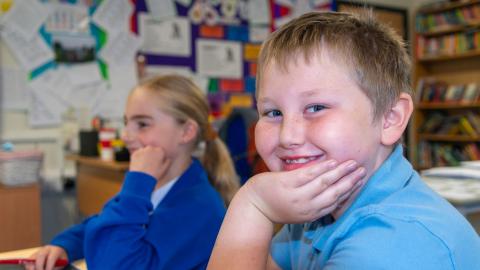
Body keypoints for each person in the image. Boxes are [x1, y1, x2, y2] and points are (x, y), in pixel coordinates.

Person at [208, 11, 480, 270]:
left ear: (390, 118)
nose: (287, 136)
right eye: (273, 112)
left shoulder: (390, 246)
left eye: (315, 108)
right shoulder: (319, 203)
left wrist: (252, 206)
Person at [29, 75, 240, 270]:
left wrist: (137, 183)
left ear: (186, 132)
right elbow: (103, 224)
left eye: (142, 124)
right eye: (126, 123)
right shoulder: (154, 186)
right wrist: (65, 246)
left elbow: (115, 265)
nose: (126, 136)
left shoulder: (200, 209)